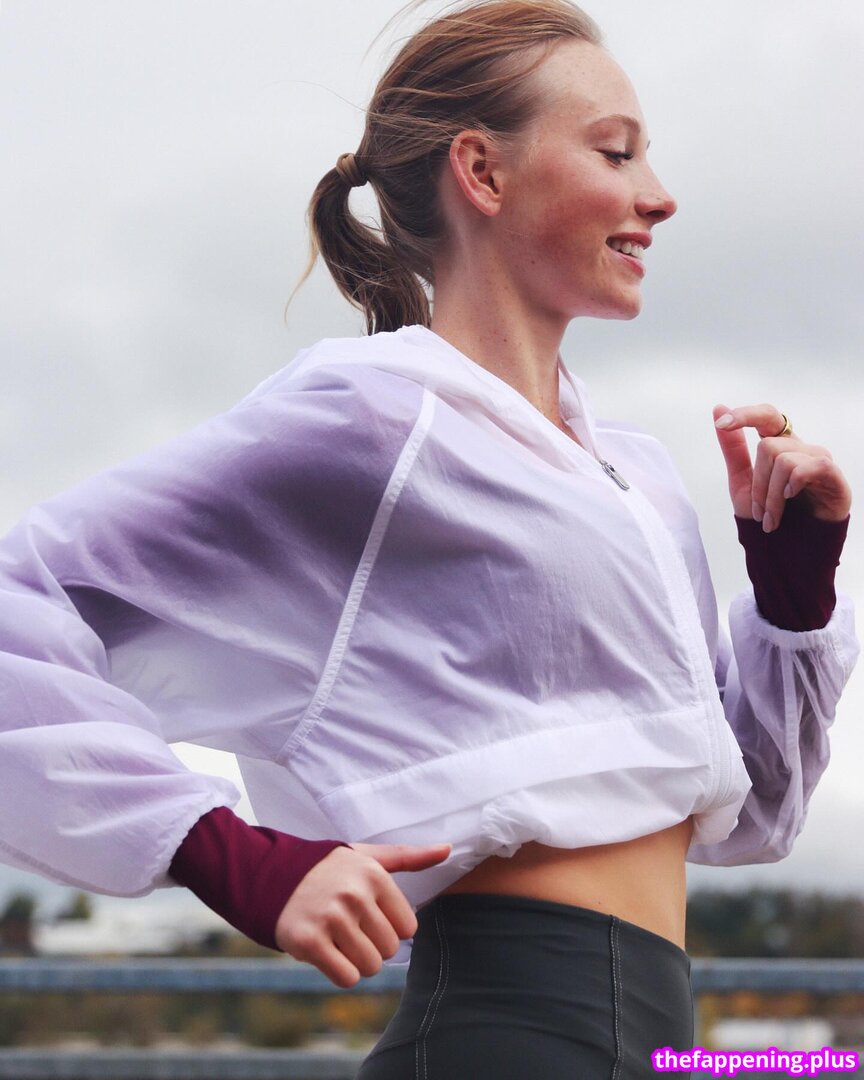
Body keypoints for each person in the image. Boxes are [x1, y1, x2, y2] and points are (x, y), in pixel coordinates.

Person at [0, 1, 856, 1077]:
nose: (659, 194)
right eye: (616, 152)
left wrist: (792, 591)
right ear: (482, 173)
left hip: (651, 1039)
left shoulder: (637, 479)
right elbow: (18, 605)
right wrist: (230, 856)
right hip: (504, 1034)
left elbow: (749, 817)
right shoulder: (375, 422)